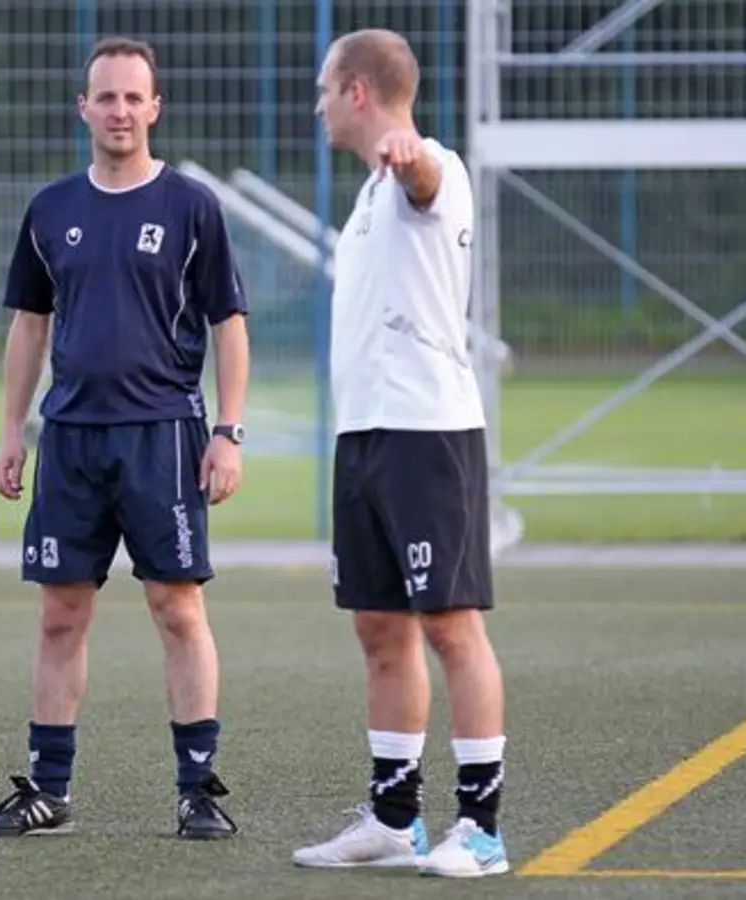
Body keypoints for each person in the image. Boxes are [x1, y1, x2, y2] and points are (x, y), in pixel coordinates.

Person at [0, 36, 252, 842]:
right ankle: (49, 792)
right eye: (107, 97)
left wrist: (228, 431)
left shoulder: (193, 207)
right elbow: (30, 327)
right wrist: (10, 432)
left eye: (135, 97)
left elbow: (228, 325)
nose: (120, 110)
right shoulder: (51, 209)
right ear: (83, 108)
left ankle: (198, 791)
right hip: (69, 439)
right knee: (60, 615)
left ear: (155, 107)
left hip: (163, 435)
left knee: (176, 607)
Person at [289, 29, 510, 878]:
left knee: (451, 627)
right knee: (378, 626)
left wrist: (410, 153)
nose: (316, 105)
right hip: (365, 435)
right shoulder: (365, 197)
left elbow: (424, 182)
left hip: (428, 435)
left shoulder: (432, 171)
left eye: (323, 88)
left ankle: (482, 831)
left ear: (356, 91)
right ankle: (393, 818)